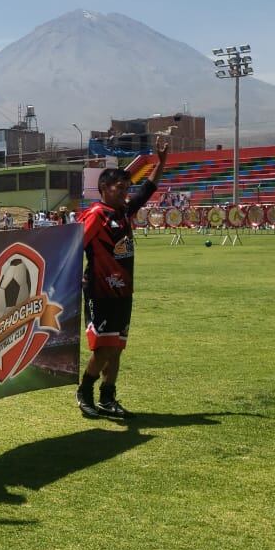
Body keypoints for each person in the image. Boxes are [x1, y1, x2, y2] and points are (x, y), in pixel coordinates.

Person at [76, 136, 169, 420]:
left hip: (123, 293)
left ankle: (108, 397)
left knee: (116, 349)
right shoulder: (95, 215)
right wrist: (74, 279)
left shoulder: (125, 212)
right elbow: (72, 248)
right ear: (104, 188)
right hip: (100, 292)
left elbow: (148, 189)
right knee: (103, 350)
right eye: (120, 188)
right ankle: (84, 392)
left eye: (127, 189)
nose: (125, 193)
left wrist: (161, 161)